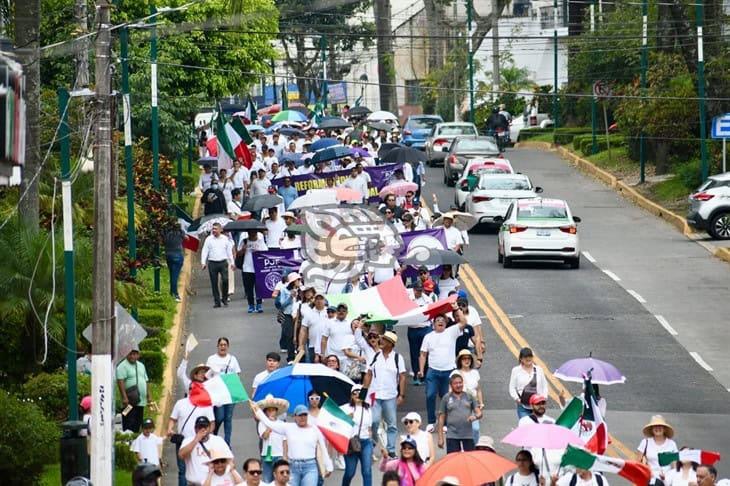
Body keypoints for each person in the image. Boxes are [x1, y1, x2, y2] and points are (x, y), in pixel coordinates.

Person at [251, 402, 334, 486]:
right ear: (295, 416)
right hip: (293, 467)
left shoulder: (315, 430)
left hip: (310, 466)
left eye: (305, 415)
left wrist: (329, 466)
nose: (302, 417)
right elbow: (270, 424)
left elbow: (323, 449)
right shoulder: (288, 427)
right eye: (300, 415)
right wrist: (258, 411)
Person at [418, 312, 468, 432]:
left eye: (442, 320)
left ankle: (445, 423)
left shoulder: (451, 332)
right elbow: (423, 354)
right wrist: (421, 370)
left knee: (446, 397)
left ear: (446, 323)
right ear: (433, 324)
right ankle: (431, 421)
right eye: (437, 320)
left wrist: (456, 308)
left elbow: (463, 322)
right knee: (430, 395)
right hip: (433, 371)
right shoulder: (428, 336)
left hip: (448, 371)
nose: (440, 322)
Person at [361, 331, 407, 458]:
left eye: (385, 340)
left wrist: (402, 395)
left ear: (391, 344)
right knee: (374, 421)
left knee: (391, 424)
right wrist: (363, 393)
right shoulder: (376, 357)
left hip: (390, 395)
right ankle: (374, 442)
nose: (381, 342)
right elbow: (369, 373)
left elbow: (402, 377)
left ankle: (391, 448)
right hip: (375, 394)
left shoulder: (398, 358)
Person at [169, 362, 215, 486]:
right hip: (184, 440)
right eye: (201, 371)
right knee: (182, 470)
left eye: (205, 371)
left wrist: (206, 436)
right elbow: (172, 418)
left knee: (201, 469)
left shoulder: (207, 398)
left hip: (200, 442)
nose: (203, 374)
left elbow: (212, 423)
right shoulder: (181, 403)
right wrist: (185, 358)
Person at [206, 337, 242, 446]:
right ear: (217, 346)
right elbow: (207, 375)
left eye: (225, 345)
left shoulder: (232, 359)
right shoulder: (211, 359)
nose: (223, 347)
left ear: (228, 346)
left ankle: (227, 442)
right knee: (220, 416)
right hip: (217, 393)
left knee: (228, 418)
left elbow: (237, 374)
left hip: (230, 392)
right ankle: (214, 436)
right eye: (221, 345)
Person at [179, 416, 232, 486]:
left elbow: (230, 460)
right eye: (199, 427)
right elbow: (181, 455)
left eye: (205, 427)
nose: (203, 429)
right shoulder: (188, 441)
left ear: (209, 428)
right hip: (195, 484)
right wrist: (196, 440)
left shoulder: (218, 440)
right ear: (195, 429)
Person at [437, 372, 481, 453]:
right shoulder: (446, 398)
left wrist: (475, 416)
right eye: (455, 383)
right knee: (453, 462)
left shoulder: (469, 396)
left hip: (468, 435)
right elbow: (441, 418)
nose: (458, 385)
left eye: (460, 382)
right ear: (451, 385)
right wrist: (440, 438)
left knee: (470, 461)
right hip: (452, 435)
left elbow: (479, 413)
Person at [341, 384, 373, 486]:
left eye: (359, 393)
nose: (357, 395)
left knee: (367, 471)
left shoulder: (368, 409)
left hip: (366, 442)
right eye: (354, 393)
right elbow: (337, 423)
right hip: (351, 442)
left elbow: (369, 427)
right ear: (351, 396)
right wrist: (346, 418)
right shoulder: (346, 408)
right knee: (350, 472)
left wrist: (371, 441)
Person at [256, 395, 289, 482]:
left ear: (276, 411)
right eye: (269, 410)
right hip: (267, 454)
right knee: (267, 480)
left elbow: (285, 441)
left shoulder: (282, 424)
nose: (271, 412)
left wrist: (285, 456)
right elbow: (264, 436)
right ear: (265, 412)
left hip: (279, 455)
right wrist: (269, 425)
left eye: (273, 410)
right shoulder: (262, 423)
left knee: (280, 479)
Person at [509, 347, 548, 420]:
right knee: (526, 427)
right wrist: (517, 399)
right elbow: (512, 388)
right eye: (525, 357)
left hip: (538, 406)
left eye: (530, 356)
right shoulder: (516, 370)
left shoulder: (539, 369)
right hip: (523, 406)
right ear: (521, 359)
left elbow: (544, 386)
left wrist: (544, 398)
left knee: (537, 428)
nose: (528, 358)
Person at [116, 348, 149, 433]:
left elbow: (145, 380)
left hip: (140, 401)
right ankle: (127, 440)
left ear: (138, 355)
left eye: (135, 354)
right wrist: (124, 397)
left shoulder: (141, 365)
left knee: (137, 422)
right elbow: (120, 381)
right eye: (130, 354)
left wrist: (149, 395)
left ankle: (134, 440)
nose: (132, 356)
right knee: (128, 421)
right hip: (129, 401)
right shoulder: (122, 366)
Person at [201, 223, 234, 308]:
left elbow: (229, 252)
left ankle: (224, 298)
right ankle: (217, 301)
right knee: (214, 283)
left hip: (223, 262)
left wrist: (232, 262)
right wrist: (203, 262)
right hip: (212, 263)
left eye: (216, 229)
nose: (214, 230)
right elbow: (205, 251)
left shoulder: (225, 239)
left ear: (220, 230)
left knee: (225, 280)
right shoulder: (209, 239)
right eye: (213, 229)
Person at [637, 415, 678, 482]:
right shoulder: (645, 442)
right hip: (650, 479)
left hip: (667, 480)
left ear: (664, 429)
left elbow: (675, 465)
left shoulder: (672, 444)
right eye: (655, 426)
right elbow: (638, 463)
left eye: (660, 426)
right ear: (652, 429)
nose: (657, 428)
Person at [455, 349, 484, 443]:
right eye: (464, 359)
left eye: (468, 358)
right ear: (460, 361)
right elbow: (450, 391)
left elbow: (478, 389)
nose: (466, 361)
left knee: (475, 428)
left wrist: (481, 402)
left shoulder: (475, 373)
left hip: (473, 404)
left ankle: (475, 446)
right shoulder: (455, 373)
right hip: (461, 404)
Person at [407, 282, 432, 386]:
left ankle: (425, 375)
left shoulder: (427, 299)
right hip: (413, 328)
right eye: (417, 290)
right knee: (414, 353)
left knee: (425, 352)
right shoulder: (408, 298)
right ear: (413, 290)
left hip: (424, 328)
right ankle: (416, 375)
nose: (419, 292)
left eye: (420, 290)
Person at [238, 229, 268, 313]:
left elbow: (266, 252)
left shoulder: (260, 241)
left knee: (259, 287)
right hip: (247, 268)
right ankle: (251, 305)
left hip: (258, 268)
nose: (253, 234)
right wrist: (243, 249)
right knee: (249, 288)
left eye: (254, 233)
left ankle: (259, 304)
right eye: (251, 233)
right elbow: (238, 254)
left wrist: (259, 252)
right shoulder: (244, 241)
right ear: (248, 233)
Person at [276, 272, 301, 362]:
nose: (299, 281)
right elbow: (282, 304)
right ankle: (291, 358)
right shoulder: (284, 290)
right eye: (298, 280)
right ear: (293, 281)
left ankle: (300, 357)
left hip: (299, 315)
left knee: (299, 335)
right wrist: (290, 297)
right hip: (288, 315)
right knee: (289, 336)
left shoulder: (301, 290)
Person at [299, 293, 329, 363]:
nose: (319, 301)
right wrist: (301, 345)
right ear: (314, 301)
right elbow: (303, 329)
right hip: (313, 345)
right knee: (313, 367)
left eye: (321, 299)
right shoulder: (308, 313)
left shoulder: (329, 312)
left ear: (324, 300)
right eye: (317, 299)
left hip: (328, 345)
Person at [164, 227, 186, 302]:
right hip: (177, 255)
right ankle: (175, 294)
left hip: (168, 255)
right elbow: (186, 238)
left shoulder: (166, 231)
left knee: (171, 274)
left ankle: (171, 292)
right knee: (175, 276)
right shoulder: (180, 231)